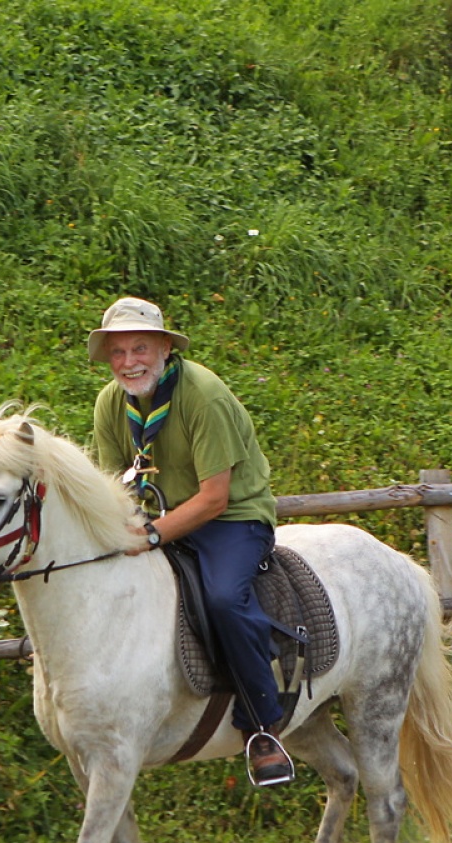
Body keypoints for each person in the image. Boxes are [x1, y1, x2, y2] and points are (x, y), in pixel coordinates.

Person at [88, 296, 293, 787]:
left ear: (165, 349)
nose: (129, 361)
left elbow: (215, 498)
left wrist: (152, 534)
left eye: (140, 348)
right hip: (157, 516)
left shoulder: (204, 395)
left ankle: (262, 725)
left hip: (232, 519)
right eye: (118, 352)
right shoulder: (109, 403)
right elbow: (113, 487)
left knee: (223, 599)